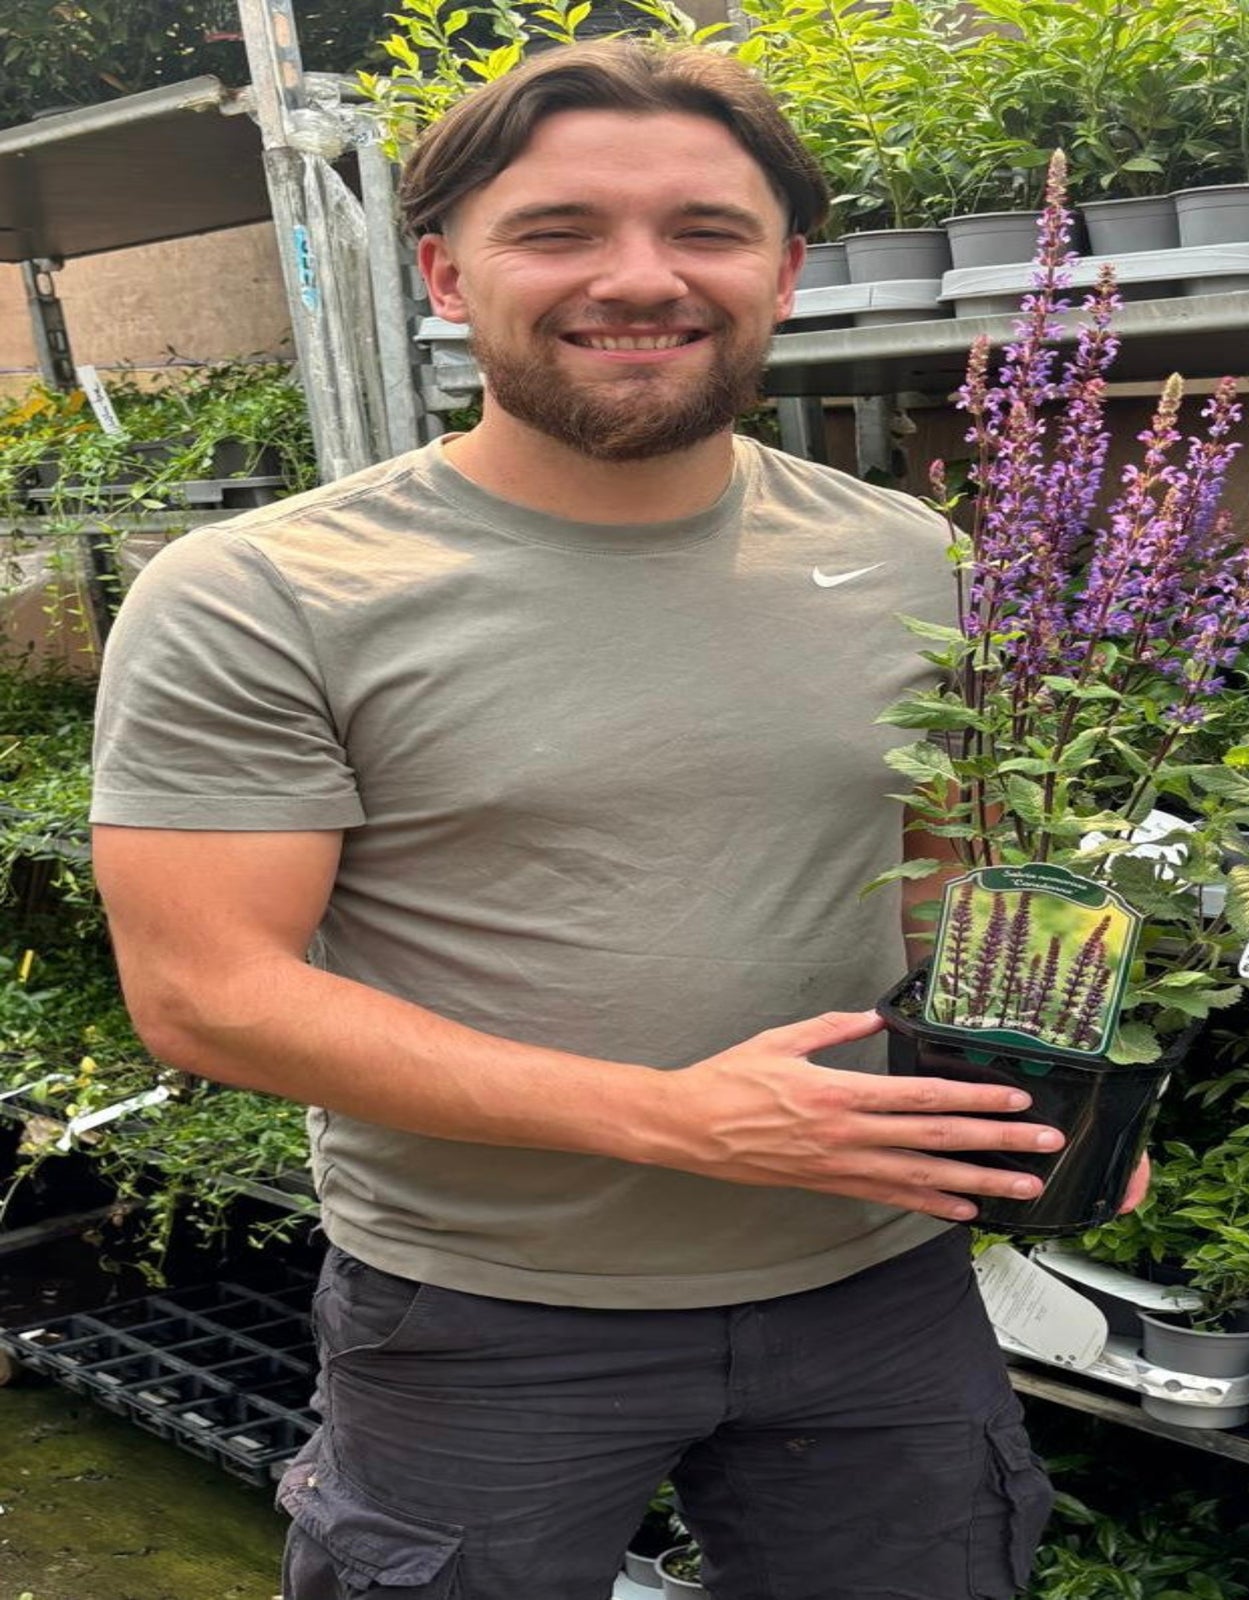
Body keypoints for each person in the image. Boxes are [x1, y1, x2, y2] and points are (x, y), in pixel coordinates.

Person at [90, 38, 1131, 1599]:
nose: (639, 278)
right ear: (447, 272)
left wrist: (1050, 1090)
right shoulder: (267, 595)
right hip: (484, 1316)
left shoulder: (914, 559)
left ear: (783, 271)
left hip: (875, 1292)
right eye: (559, 229)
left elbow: (941, 878)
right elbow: (206, 993)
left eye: (704, 230)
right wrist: (676, 1121)